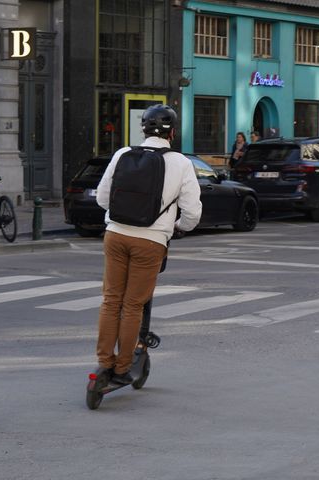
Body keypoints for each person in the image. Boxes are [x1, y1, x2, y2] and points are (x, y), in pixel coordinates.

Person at [94, 104, 202, 385]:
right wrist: (179, 227)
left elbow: (102, 199)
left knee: (110, 300)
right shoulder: (181, 163)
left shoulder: (122, 154)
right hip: (151, 241)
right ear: (173, 133)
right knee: (132, 305)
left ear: (142, 129)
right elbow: (192, 212)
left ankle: (104, 362)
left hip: (115, 234)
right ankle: (122, 367)